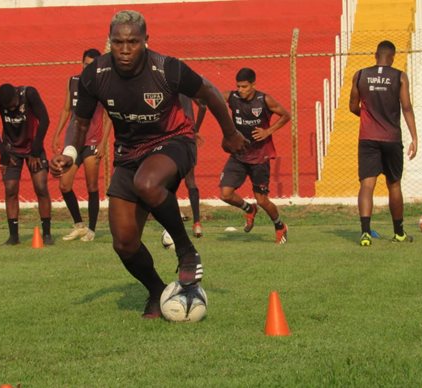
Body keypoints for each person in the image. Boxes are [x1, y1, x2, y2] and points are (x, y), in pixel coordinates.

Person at [49, 10, 247, 318]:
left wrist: (231, 133)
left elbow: (209, 91)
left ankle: (185, 252)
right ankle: (157, 291)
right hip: (128, 154)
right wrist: (70, 153)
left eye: (133, 42)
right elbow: (81, 121)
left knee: (147, 183)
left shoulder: (167, 68)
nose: (125, 49)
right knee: (124, 243)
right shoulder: (95, 75)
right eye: (117, 42)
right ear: (109, 42)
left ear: (146, 41)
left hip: (174, 141)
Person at [349, 40, 418, 246]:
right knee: (394, 184)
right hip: (391, 138)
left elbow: (353, 106)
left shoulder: (360, 75)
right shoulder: (399, 76)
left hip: (368, 137)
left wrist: (369, 116)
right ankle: (399, 233)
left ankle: (365, 233)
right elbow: (406, 108)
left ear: (375, 55)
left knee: (367, 185)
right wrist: (415, 137)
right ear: (393, 57)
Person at [219, 68, 291, 244]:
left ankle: (280, 225)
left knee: (262, 200)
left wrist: (268, 131)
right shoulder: (231, 97)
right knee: (225, 194)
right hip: (239, 154)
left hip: (260, 157)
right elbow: (209, 99)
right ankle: (248, 209)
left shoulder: (264, 100)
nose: (241, 90)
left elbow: (286, 115)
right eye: (238, 86)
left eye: (244, 86)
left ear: (253, 85)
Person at [51, 48, 112, 242]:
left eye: (92, 65)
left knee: (92, 185)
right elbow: (66, 109)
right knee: (64, 184)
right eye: (86, 64)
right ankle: (79, 225)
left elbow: (109, 116)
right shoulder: (73, 81)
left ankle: (92, 230)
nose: (88, 68)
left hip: (93, 141)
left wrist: (104, 142)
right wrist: (57, 134)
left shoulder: (103, 85)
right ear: (82, 63)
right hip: (72, 143)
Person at [0, 83, 53, 245]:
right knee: (10, 189)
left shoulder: (29, 93)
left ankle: (47, 234)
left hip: (33, 148)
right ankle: (13, 236)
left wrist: (36, 151)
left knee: (41, 187)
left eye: (15, 104)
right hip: (11, 150)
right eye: (9, 107)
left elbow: (45, 120)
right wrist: (3, 153)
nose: (14, 108)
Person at [179, 94, 207, 237]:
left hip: (170, 135)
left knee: (166, 179)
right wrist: (196, 129)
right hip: (188, 135)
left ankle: (174, 220)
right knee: (190, 180)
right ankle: (197, 224)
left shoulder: (161, 81)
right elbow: (203, 105)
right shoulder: (185, 82)